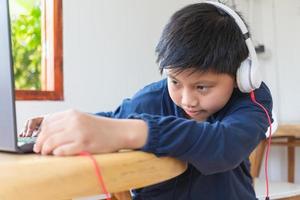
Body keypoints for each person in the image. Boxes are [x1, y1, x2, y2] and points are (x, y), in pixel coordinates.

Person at [20, 2, 273, 200]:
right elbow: (111, 120)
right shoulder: (151, 98)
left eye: (202, 87)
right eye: (174, 81)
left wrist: (135, 132)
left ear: (242, 75)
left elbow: (224, 145)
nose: (187, 99)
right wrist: (63, 125)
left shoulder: (251, 100)